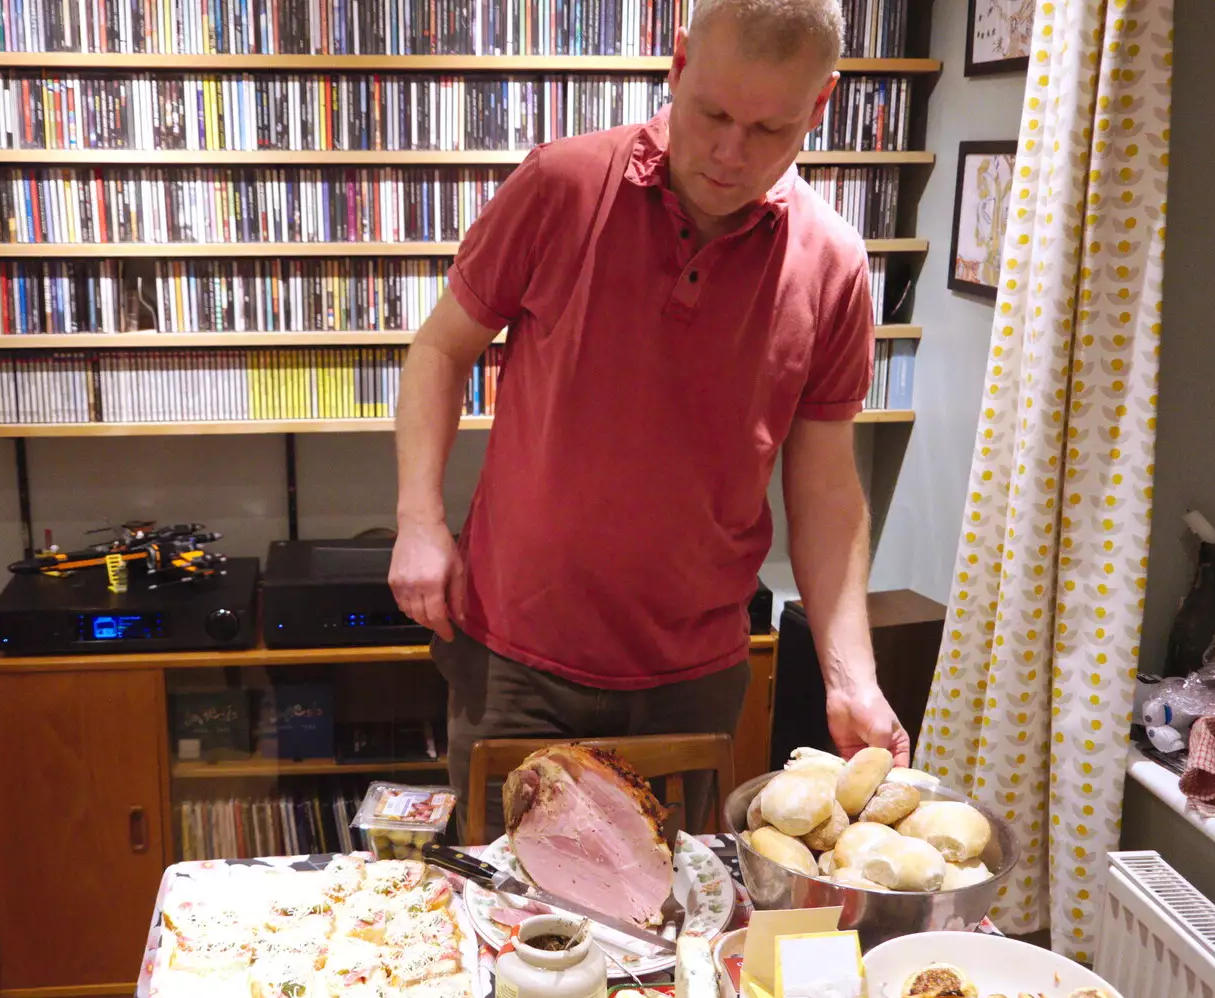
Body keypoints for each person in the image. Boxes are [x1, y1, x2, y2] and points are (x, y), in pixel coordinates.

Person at [389, 0, 911, 828]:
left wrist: (850, 675)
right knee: (512, 925)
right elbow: (439, 351)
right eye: (712, 114)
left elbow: (825, 488)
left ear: (820, 107)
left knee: (666, 926)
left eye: (770, 130)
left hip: (693, 680)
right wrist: (420, 519)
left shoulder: (835, 265)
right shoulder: (561, 183)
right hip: (515, 661)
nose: (730, 154)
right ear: (676, 64)